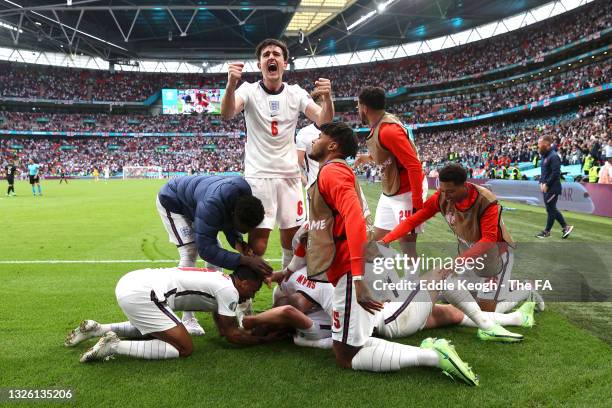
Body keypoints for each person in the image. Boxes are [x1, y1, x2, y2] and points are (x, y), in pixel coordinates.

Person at [304, 121, 479, 385]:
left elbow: (353, 219)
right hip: (353, 267)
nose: (313, 141)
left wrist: (357, 276)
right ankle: (432, 351)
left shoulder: (332, 173)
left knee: (347, 355)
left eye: (319, 137)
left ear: (332, 145)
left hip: (353, 269)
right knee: (351, 343)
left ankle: (433, 356)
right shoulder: (333, 172)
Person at [220, 38, 334, 271]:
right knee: (258, 243)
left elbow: (324, 120)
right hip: (259, 176)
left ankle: (286, 291)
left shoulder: (295, 93)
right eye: (266, 55)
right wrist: (230, 85)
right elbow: (228, 113)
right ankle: (246, 299)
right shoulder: (248, 90)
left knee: (292, 242)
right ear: (260, 63)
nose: (271, 57)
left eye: (276, 54)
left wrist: (328, 99)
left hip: (289, 176)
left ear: (284, 62)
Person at [380, 164, 532, 314]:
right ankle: (505, 287)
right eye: (443, 190)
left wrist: (456, 262)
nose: (446, 196)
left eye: (450, 191)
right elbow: (413, 220)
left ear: (464, 186)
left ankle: (526, 290)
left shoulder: (485, 201)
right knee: (453, 299)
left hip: (495, 258)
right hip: (471, 258)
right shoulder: (441, 197)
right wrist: (386, 240)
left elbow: (489, 239)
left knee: (484, 312)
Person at [65, 266, 280, 362]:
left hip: (134, 281)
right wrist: (263, 340)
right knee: (184, 348)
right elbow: (232, 334)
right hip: (143, 293)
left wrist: (231, 330)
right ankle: (114, 346)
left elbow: (224, 327)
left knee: (157, 330)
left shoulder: (221, 280)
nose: (252, 295)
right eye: (252, 289)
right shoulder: (229, 291)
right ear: (242, 282)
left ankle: (99, 329)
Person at [156, 175, 272, 335]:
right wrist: (244, 260)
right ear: (233, 214)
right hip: (173, 200)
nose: (245, 232)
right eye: (243, 228)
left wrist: (239, 243)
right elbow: (205, 249)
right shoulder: (211, 206)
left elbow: (229, 223)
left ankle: (218, 301)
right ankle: (187, 318)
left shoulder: (243, 198)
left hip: (200, 202)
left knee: (217, 249)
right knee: (190, 252)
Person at [353, 87, 427, 260]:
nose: (358, 110)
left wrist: (416, 205)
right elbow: (390, 156)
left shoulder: (389, 131)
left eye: (358, 107)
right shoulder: (381, 125)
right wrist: (368, 157)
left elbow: (414, 166)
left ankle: (413, 284)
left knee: (407, 245)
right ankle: (388, 276)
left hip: (407, 192)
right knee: (377, 241)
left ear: (364, 108)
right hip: (390, 192)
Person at [536, 135, 573, 239]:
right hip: (546, 187)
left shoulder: (554, 156)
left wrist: (547, 184)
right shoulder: (544, 156)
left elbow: (556, 173)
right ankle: (566, 227)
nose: (538, 145)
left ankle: (547, 231)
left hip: (553, 188)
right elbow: (544, 173)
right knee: (551, 209)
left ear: (547, 144)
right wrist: (541, 182)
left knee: (551, 209)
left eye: (540, 143)